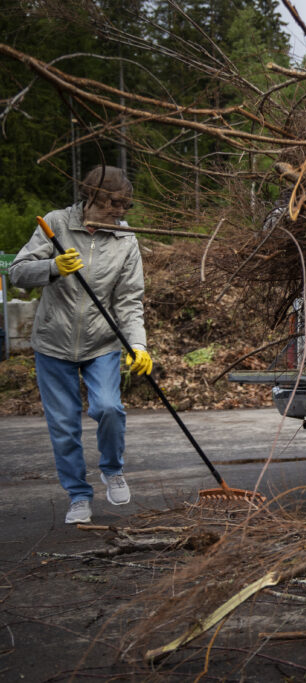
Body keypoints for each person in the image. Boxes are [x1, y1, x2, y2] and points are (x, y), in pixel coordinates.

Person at [9, 165, 152, 525]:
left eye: (125, 207)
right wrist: (53, 266)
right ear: (91, 197)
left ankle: (112, 469)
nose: (119, 213)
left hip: (102, 341)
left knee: (108, 408)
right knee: (63, 424)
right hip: (53, 342)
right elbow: (17, 272)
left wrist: (138, 345)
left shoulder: (125, 239)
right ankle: (78, 495)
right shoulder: (56, 224)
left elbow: (130, 301)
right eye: (112, 205)